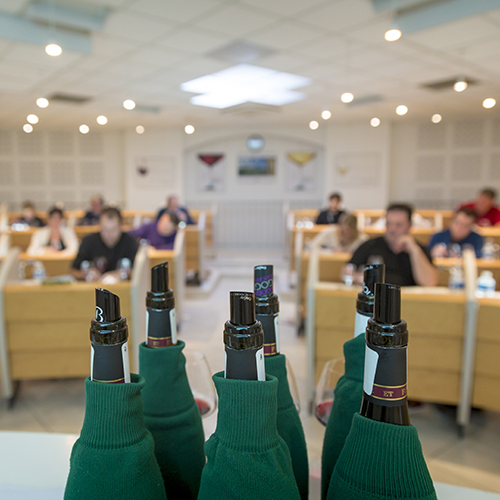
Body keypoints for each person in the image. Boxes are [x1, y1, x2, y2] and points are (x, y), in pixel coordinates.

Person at [349, 203, 438, 287]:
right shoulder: (371, 245)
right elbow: (347, 272)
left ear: (410, 225)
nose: (392, 229)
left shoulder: (419, 249)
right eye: (389, 224)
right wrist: (359, 278)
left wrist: (414, 250)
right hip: (377, 298)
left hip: (407, 300)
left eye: (398, 225)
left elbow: (429, 283)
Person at [71, 206, 138, 282]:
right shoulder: (88, 241)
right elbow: (73, 271)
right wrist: (87, 275)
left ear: (120, 226)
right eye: (105, 229)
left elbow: (140, 272)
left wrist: (122, 274)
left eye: (113, 230)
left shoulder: (130, 242)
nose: (109, 234)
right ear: (99, 226)